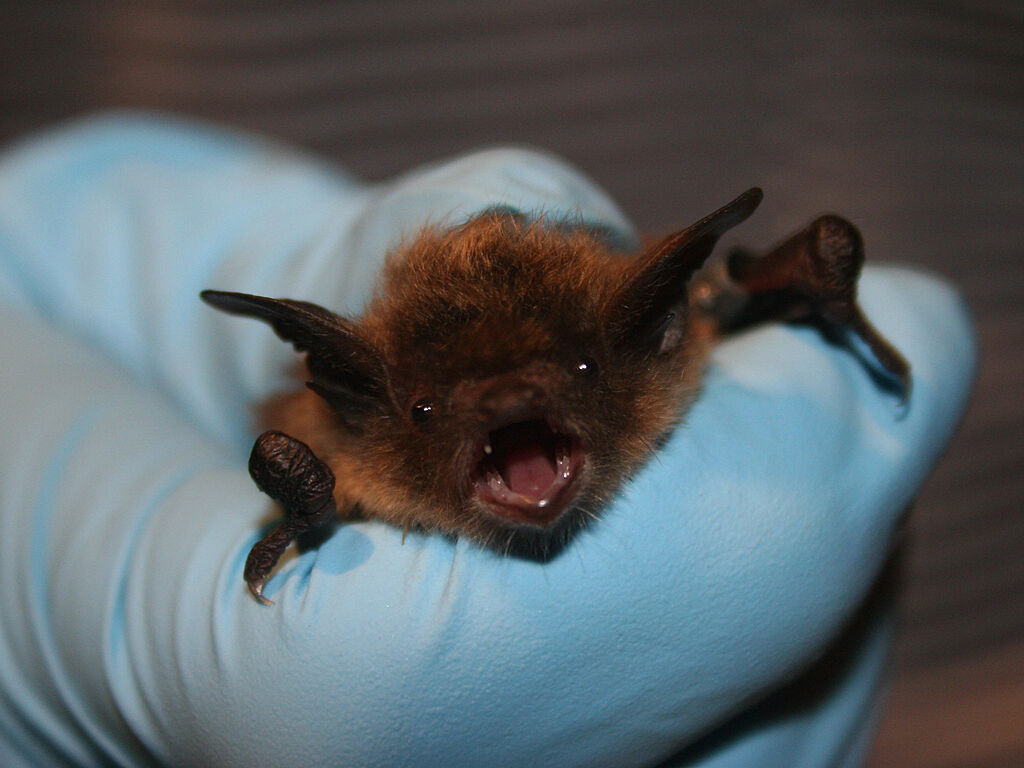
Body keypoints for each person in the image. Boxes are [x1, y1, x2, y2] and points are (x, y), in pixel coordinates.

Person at [0, 113, 974, 767]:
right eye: (433, 412)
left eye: (574, 376)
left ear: (655, 329)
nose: (511, 403)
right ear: (356, 398)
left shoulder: (674, 345)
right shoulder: (350, 448)